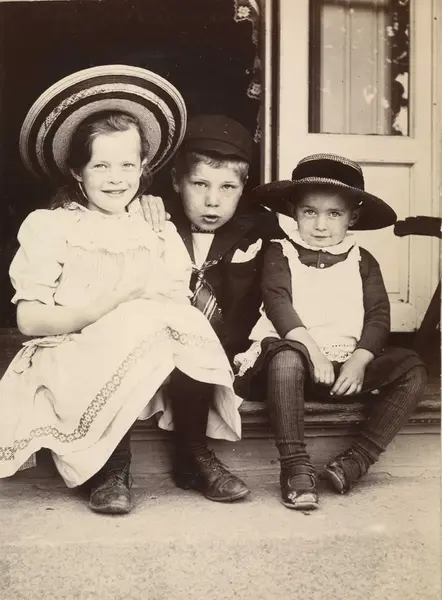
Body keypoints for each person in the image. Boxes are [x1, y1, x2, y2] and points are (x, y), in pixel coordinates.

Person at [0, 65, 248, 515]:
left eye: (127, 165)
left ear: (143, 167)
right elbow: (29, 319)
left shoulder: (153, 226)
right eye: (101, 165)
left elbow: (176, 300)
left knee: (183, 319)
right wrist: (104, 307)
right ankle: (112, 467)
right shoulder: (52, 226)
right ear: (77, 171)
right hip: (71, 351)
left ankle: (193, 454)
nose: (116, 178)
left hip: (151, 354)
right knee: (129, 321)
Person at [236, 153, 427, 511]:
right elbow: (279, 305)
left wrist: (359, 360)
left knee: (412, 367)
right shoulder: (279, 252)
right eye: (310, 212)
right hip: (289, 367)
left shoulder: (362, 259)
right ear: (293, 211)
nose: (321, 225)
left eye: (334, 214)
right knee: (286, 356)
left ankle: (357, 459)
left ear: (352, 217)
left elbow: (378, 316)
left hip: (342, 368)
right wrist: (314, 354)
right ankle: (295, 466)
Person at [139, 114, 285, 494]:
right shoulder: (155, 218)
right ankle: (192, 456)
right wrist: (139, 200)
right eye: (199, 184)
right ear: (176, 181)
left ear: (243, 187)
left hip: (226, 356)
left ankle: (192, 458)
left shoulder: (260, 229)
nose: (212, 201)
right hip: (162, 352)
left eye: (227, 187)